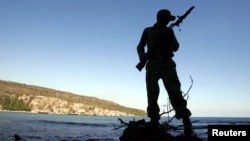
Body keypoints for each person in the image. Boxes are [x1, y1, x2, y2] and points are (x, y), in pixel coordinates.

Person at [136, 9, 193, 135]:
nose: (167, 21)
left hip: (167, 63)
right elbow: (140, 46)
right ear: (159, 18)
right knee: (152, 92)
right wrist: (143, 57)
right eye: (166, 19)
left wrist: (169, 39)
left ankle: (186, 122)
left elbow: (176, 47)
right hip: (152, 64)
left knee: (175, 91)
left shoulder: (170, 31)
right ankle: (154, 121)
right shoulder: (148, 31)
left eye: (169, 20)